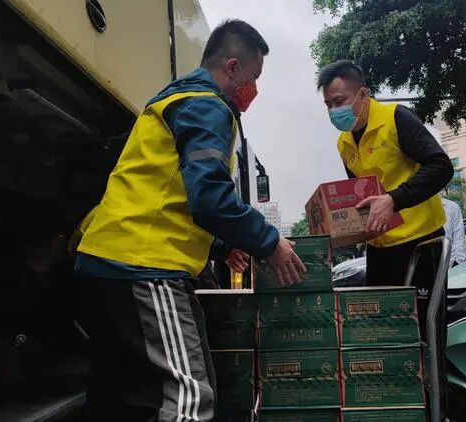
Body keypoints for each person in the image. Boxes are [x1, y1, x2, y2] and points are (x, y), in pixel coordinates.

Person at [75, 20, 306, 421]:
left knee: (119, 401)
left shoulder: (172, 101)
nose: (254, 89)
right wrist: (270, 242)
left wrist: (221, 245)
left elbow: (167, 195)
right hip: (145, 267)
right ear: (232, 67)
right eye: (254, 77)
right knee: (189, 400)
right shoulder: (207, 106)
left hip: (105, 264)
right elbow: (209, 196)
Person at [317, 60, 454, 286]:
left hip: (420, 241)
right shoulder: (344, 143)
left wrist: (393, 199)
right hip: (379, 246)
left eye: (339, 101)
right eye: (328, 104)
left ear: (363, 94)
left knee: (422, 310)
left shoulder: (396, 118)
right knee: (382, 310)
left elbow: (441, 167)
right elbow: (360, 195)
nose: (334, 111)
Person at [441, 197, 466, 267]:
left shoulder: (452, 207)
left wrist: (459, 262)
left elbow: (459, 237)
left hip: (451, 263)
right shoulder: (417, 206)